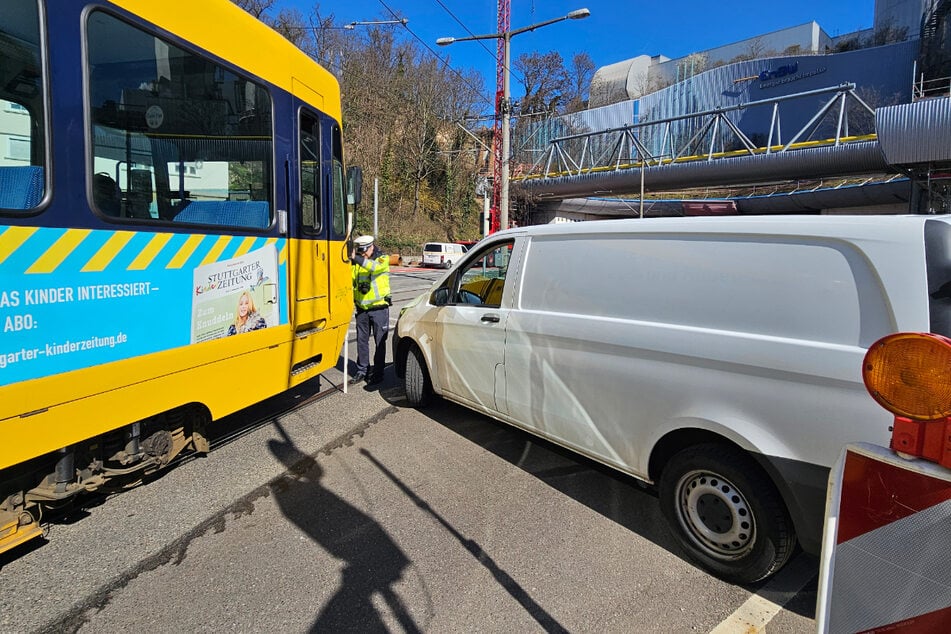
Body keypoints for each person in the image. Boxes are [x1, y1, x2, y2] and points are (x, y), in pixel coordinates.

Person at [350, 234, 391, 385]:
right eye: (360, 252)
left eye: (364, 251)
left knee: (380, 342)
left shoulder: (382, 259)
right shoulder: (357, 263)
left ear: (371, 247)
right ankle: (362, 371)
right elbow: (351, 280)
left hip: (379, 308)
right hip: (362, 309)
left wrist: (356, 258)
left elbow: (374, 267)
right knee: (361, 341)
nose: (362, 254)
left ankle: (378, 373)